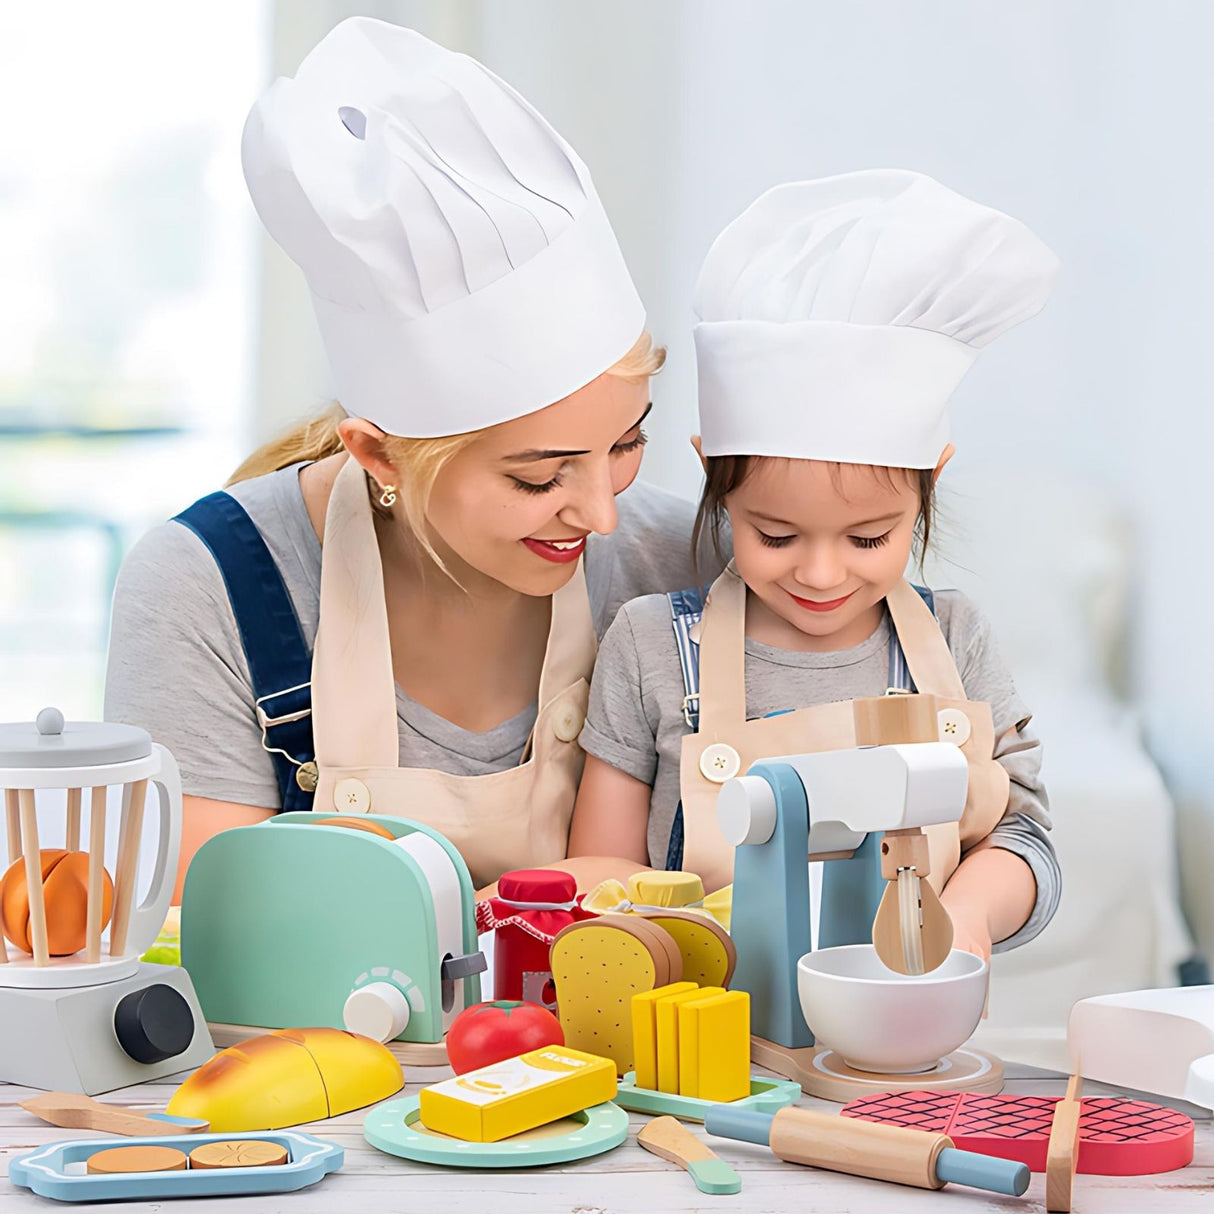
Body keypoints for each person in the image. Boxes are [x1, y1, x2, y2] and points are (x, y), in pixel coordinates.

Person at [103, 18, 719, 896]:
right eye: (539, 476)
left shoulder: (686, 567)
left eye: (625, 444)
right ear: (379, 455)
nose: (604, 512)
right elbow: (210, 926)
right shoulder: (207, 587)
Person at [569, 170, 1061, 960]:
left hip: (906, 1022)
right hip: (700, 1042)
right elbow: (604, 870)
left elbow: (1025, 840)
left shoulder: (954, 638)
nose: (822, 575)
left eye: (868, 539)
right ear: (715, 480)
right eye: (775, 535)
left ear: (929, 480)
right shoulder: (652, 645)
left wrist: (965, 919)